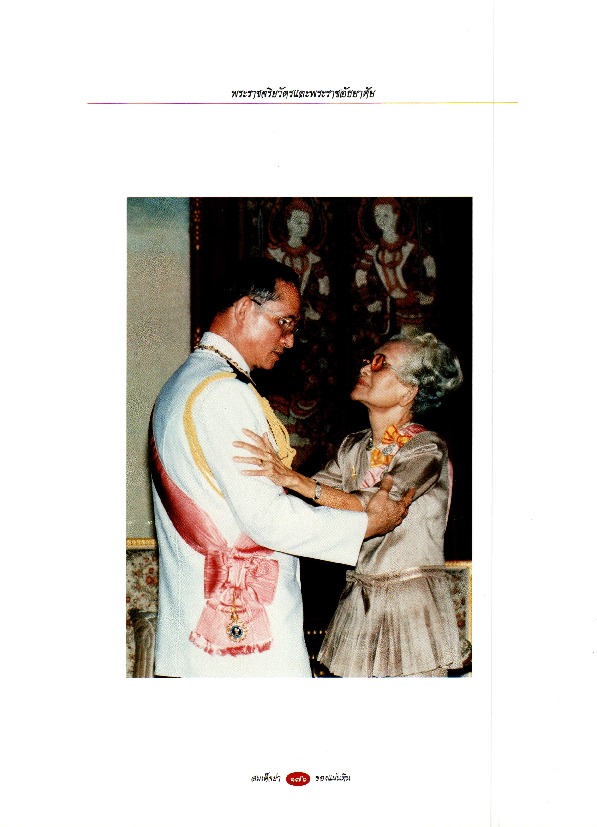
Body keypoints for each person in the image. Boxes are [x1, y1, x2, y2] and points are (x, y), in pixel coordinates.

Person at [149, 257, 412, 678]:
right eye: (284, 323)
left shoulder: (186, 381)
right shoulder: (223, 394)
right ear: (244, 308)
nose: (289, 341)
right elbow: (269, 521)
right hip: (238, 644)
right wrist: (366, 524)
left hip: (200, 635)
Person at [234, 331, 464, 677]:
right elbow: (312, 499)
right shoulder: (353, 447)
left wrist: (295, 480)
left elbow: (373, 509)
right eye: (369, 359)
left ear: (408, 391)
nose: (365, 367)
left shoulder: (426, 448)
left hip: (411, 605)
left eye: (380, 364)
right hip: (361, 600)